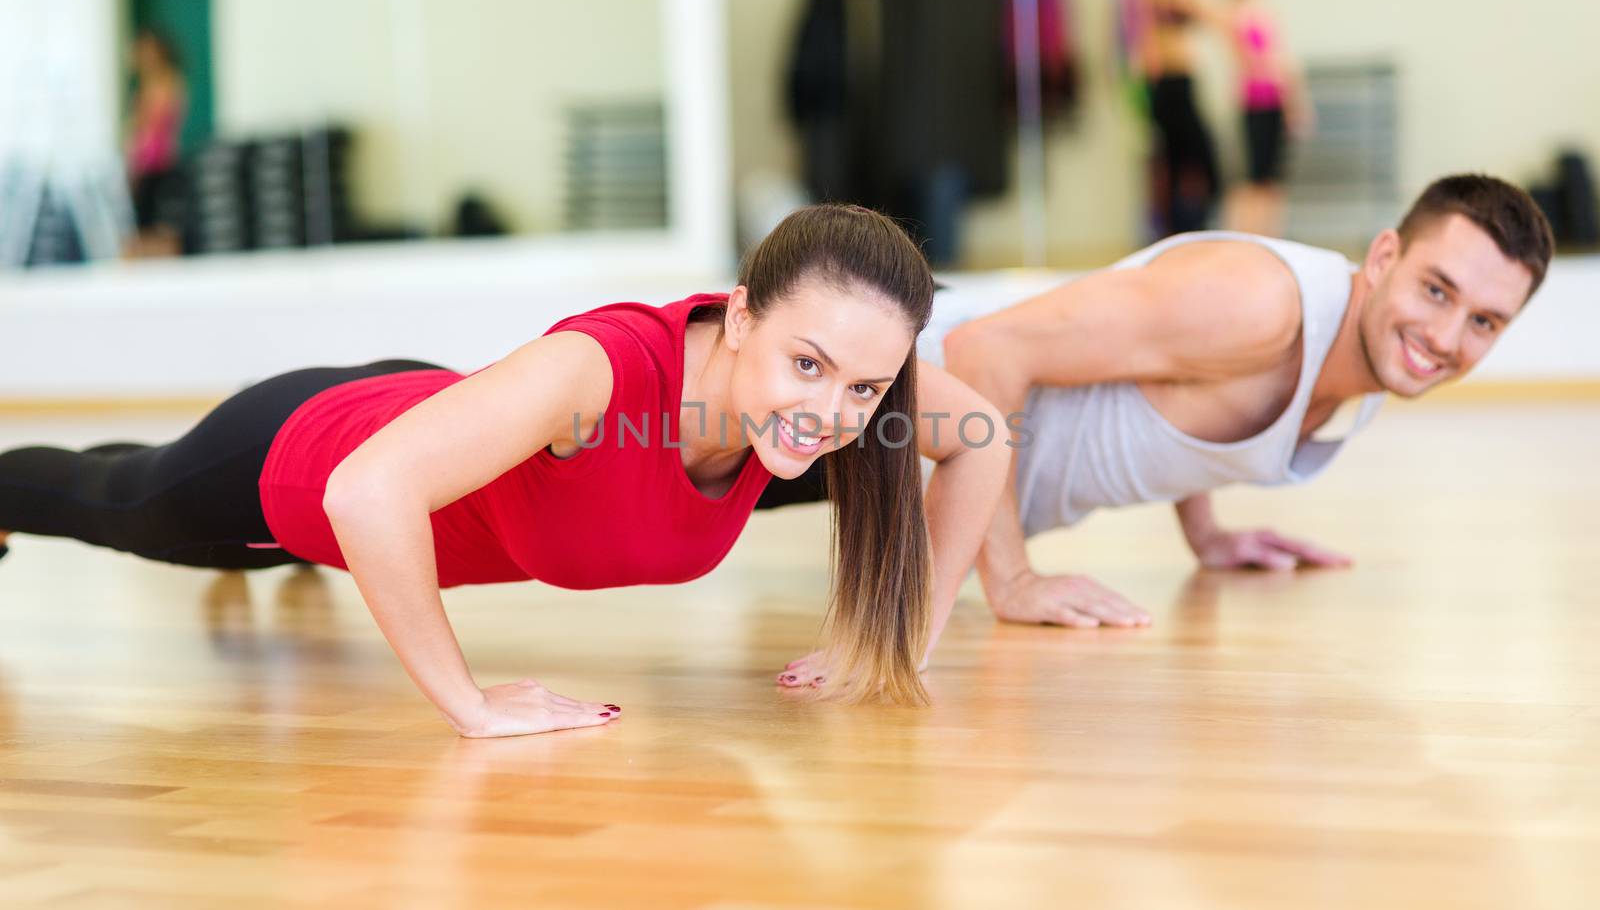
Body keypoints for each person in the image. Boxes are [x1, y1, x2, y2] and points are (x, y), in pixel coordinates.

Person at [0, 205, 1011, 737]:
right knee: (114, 495)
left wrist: (904, 638)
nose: (832, 412)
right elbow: (366, 489)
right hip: (297, 461)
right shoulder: (602, 375)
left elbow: (982, 437)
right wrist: (470, 704)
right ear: (742, 313)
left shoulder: (815, 391)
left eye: (862, 387)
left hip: (431, 404)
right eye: (807, 364)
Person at [760, 175, 1553, 655]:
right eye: (1437, 290)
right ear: (1384, 260)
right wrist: (1014, 580)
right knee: (655, 441)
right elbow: (983, 352)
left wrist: (1206, 534)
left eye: (1485, 322)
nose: (1445, 337)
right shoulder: (1258, 301)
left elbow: (1183, 389)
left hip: (906, 468)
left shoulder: (1365, 356)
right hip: (882, 388)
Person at [1221, 0, 1313, 237]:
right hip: (1254, 101)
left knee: (1273, 178)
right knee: (1253, 177)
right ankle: (1242, 236)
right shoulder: (1234, 11)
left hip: (1275, 99)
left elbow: (1281, 60)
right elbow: (1254, 60)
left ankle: (1270, 238)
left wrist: (1295, 102)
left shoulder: (1265, 13)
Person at [1142, 0, 1222, 235]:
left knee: (1189, 161)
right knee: (1186, 160)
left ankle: (1187, 229)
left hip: (1179, 83)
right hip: (1169, 85)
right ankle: (1180, 232)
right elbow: (1149, 40)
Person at [123, 28, 188, 258]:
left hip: (159, 161)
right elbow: (136, 130)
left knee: (161, 223)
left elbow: (156, 121)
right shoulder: (143, 87)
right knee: (141, 220)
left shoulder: (168, 82)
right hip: (142, 162)